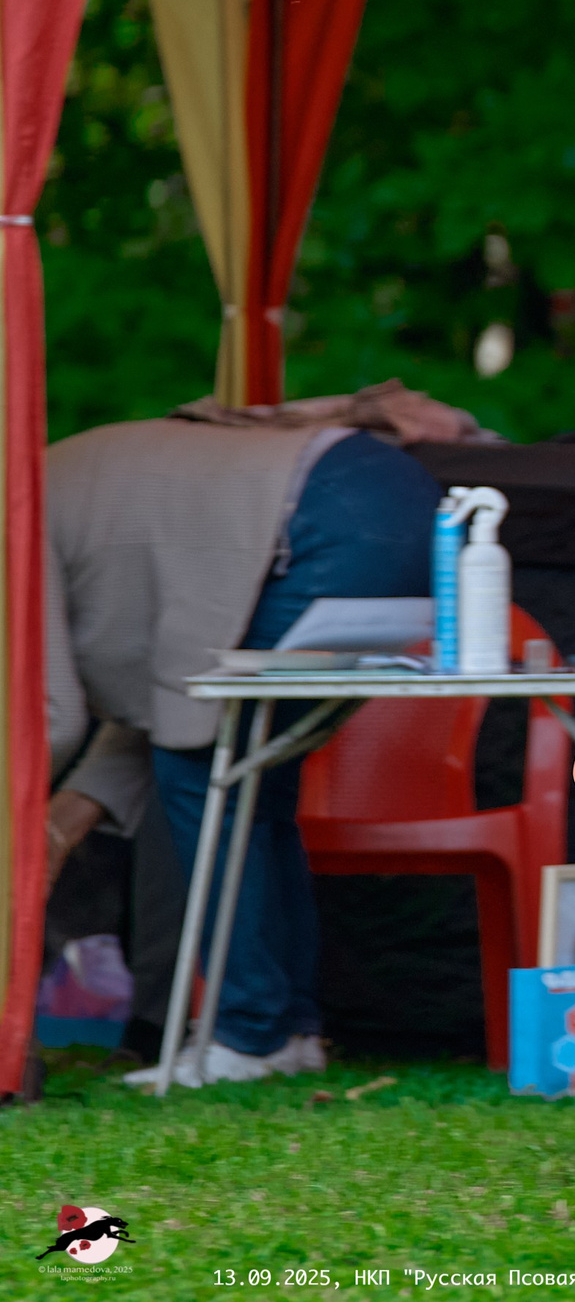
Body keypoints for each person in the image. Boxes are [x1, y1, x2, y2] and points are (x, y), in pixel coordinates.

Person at [47, 417, 446, 1086]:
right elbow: (152, 701)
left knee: (205, 764)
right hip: (400, 497)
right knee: (252, 777)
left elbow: (50, 712)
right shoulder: (58, 476)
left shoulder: (18, 510)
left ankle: (250, 1032)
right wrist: (62, 820)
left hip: (320, 518)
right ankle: (287, 1031)